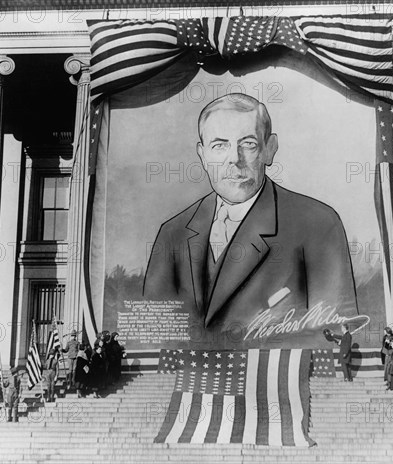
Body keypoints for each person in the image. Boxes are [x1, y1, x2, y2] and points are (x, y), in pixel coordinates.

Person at [143, 94, 359, 347]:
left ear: (270, 148)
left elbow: (332, 333)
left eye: (248, 144)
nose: (235, 159)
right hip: (193, 380)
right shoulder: (173, 232)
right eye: (219, 145)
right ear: (202, 155)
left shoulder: (317, 223)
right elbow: (155, 336)